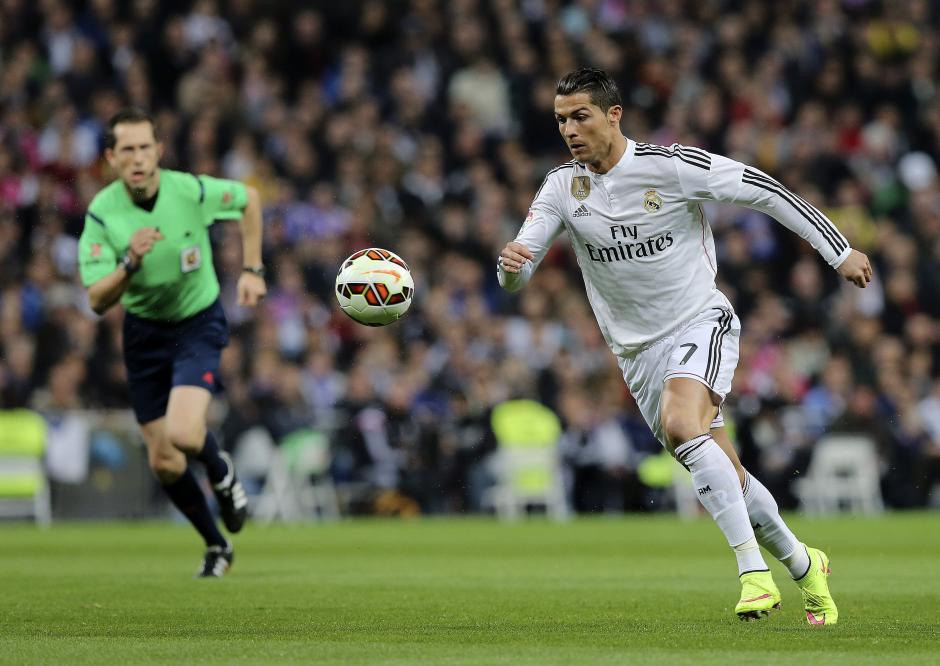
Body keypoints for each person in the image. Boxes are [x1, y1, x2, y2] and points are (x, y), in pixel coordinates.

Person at [498, 68, 873, 624]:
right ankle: (803, 563)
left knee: (681, 424)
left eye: (580, 116)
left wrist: (837, 250)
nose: (570, 130)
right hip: (637, 358)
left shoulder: (670, 167)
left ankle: (753, 575)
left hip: (701, 321)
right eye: (560, 120)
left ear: (613, 114)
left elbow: (767, 193)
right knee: (725, 472)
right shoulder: (561, 188)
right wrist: (511, 269)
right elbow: (519, 270)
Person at [78, 107, 267, 577]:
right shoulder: (103, 213)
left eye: (146, 147)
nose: (139, 158)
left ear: (160, 150)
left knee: (184, 435)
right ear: (111, 157)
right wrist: (129, 263)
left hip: (196, 321)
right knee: (163, 461)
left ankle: (219, 468)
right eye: (128, 150)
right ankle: (217, 546)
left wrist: (252, 269)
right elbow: (98, 300)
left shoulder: (189, 190)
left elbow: (250, 199)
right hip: (143, 333)